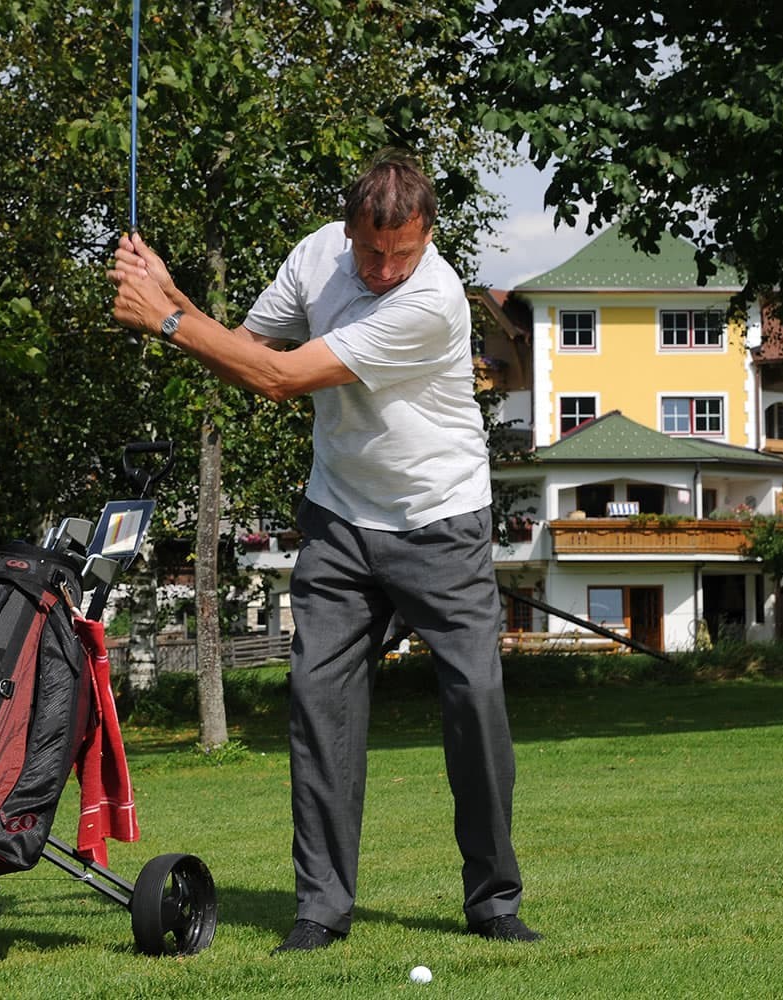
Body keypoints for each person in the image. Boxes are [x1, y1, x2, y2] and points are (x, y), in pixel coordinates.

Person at [107, 149, 539, 953]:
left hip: (440, 520)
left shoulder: (434, 301)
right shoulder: (316, 258)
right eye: (370, 252)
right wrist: (167, 292)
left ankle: (493, 900)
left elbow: (277, 379)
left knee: (475, 701)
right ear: (347, 233)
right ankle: (321, 910)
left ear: (428, 236)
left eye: (400, 253)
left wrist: (165, 317)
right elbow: (243, 349)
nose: (382, 269)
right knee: (319, 707)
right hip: (340, 520)